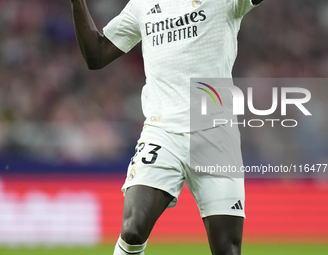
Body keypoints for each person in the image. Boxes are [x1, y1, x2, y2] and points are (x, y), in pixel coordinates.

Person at [70, 0, 264, 254]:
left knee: (227, 248)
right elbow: (96, 55)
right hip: (162, 133)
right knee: (132, 229)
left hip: (216, 136)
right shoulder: (142, 4)